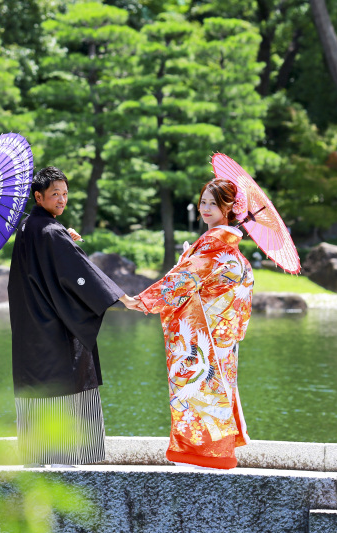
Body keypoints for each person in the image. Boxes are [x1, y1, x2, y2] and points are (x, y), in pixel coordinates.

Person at [121, 178, 254, 469]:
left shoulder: (212, 244)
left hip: (203, 331)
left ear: (229, 207)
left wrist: (143, 300)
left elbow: (183, 281)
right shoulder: (235, 253)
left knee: (197, 390)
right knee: (214, 391)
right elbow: (242, 303)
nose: (206, 208)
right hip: (222, 337)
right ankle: (219, 454)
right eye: (203, 201)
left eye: (214, 203)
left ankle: (197, 455)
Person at [8, 166, 125, 467]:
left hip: (29, 327)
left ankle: (37, 455)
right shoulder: (50, 230)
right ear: (38, 196)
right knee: (66, 378)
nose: (62, 200)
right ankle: (67, 457)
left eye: (65, 194)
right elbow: (77, 272)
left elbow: (51, 258)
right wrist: (118, 296)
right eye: (55, 194)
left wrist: (64, 237)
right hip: (52, 329)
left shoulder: (27, 227)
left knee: (36, 385)